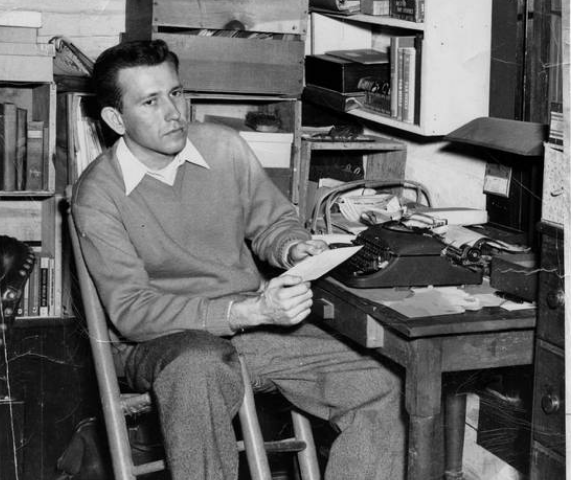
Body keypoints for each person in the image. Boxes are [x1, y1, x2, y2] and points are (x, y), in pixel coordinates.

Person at [71, 39, 405, 480]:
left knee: (383, 385)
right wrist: (245, 311)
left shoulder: (223, 146)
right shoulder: (98, 194)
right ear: (115, 119)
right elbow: (133, 311)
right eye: (150, 102)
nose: (174, 113)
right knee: (199, 367)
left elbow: (273, 222)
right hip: (158, 342)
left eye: (175, 93)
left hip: (249, 328)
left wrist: (293, 247)